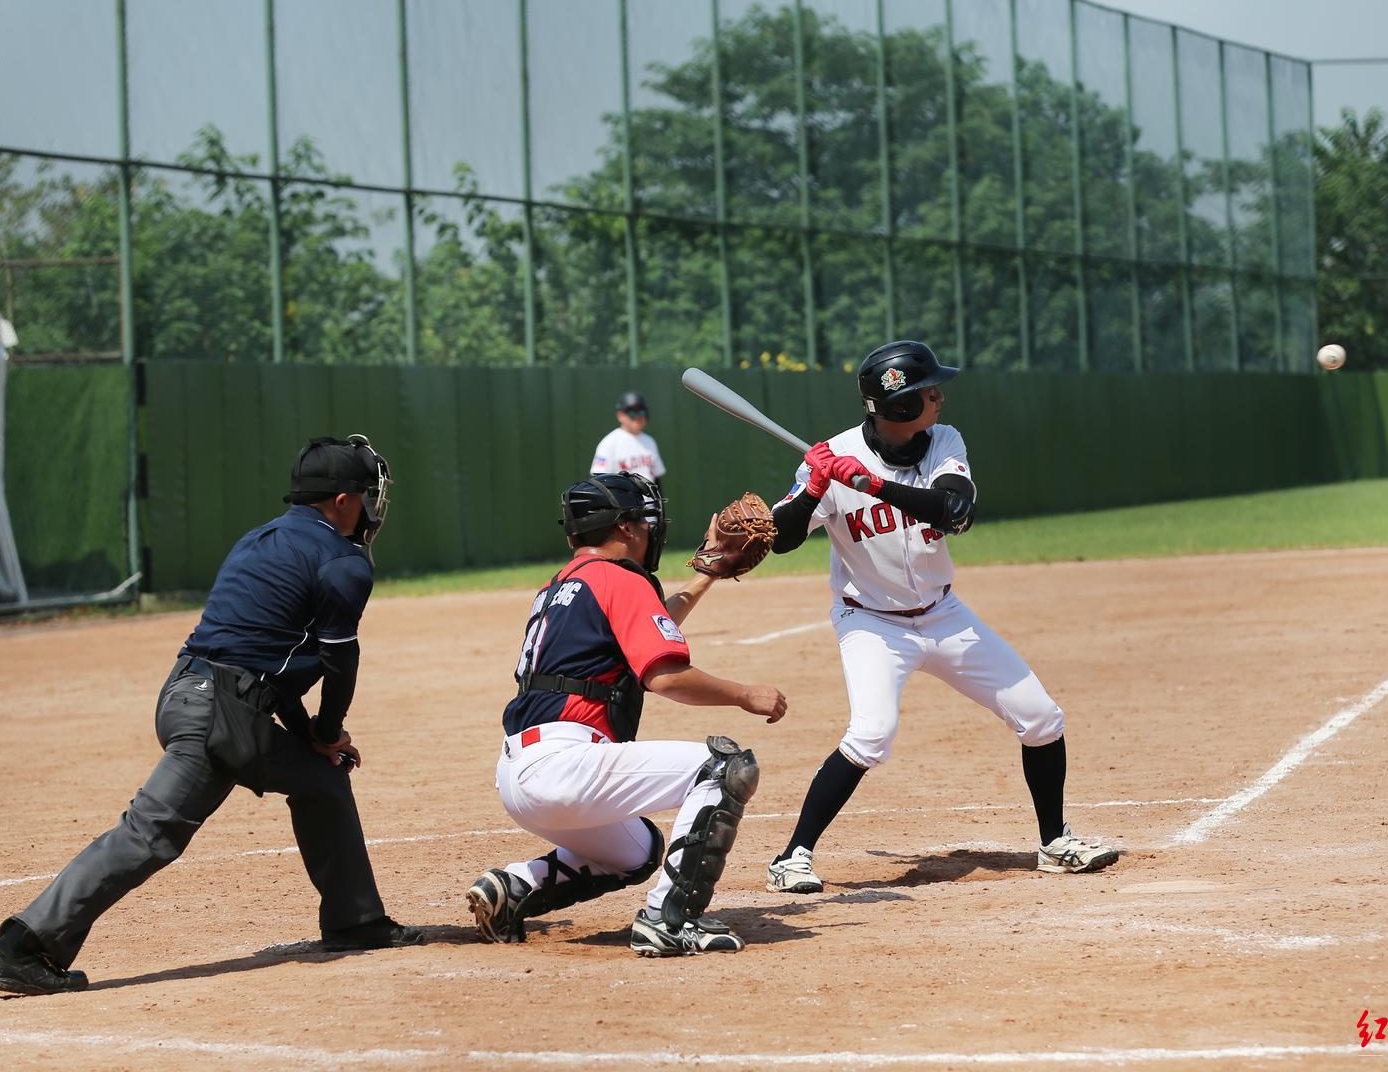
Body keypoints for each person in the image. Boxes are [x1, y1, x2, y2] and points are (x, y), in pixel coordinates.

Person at [0, 435, 422, 995]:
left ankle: (355, 921)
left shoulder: (258, 540)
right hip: (222, 712)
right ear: (341, 501)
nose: (369, 506)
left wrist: (310, 736)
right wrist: (328, 728)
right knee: (149, 834)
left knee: (319, 781)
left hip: (186, 692)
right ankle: (24, 946)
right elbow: (340, 664)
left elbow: (262, 655)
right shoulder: (342, 563)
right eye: (363, 494)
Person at [762, 341, 1119, 895]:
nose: (939, 397)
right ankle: (792, 857)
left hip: (944, 615)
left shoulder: (943, 442)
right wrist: (812, 489)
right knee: (871, 735)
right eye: (927, 391)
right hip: (872, 624)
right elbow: (781, 540)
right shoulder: (831, 457)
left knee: (1041, 717)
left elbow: (955, 511)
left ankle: (1055, 843)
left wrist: (872, 484)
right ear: (899, 406)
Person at [464, 472, 788, 956]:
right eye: (646, 520)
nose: (651, 531)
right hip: (565, 767)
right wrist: (744, 694)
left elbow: (647, 626)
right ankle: (669, 920)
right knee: (725, 768)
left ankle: (515, 887)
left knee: (637, 852)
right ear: (625, 529)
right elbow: (667, 677)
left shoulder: (564, 585)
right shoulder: (621, 579)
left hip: (520, 775)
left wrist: (707, 575)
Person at [590, 391, 666, 489]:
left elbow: (656, 479)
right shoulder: (609, 443)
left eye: (642, 411)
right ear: (620, 416)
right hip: (625, 503)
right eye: (632, 412)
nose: (639, 416)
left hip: (649, 503)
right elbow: (599, 481)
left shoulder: (650, 441)